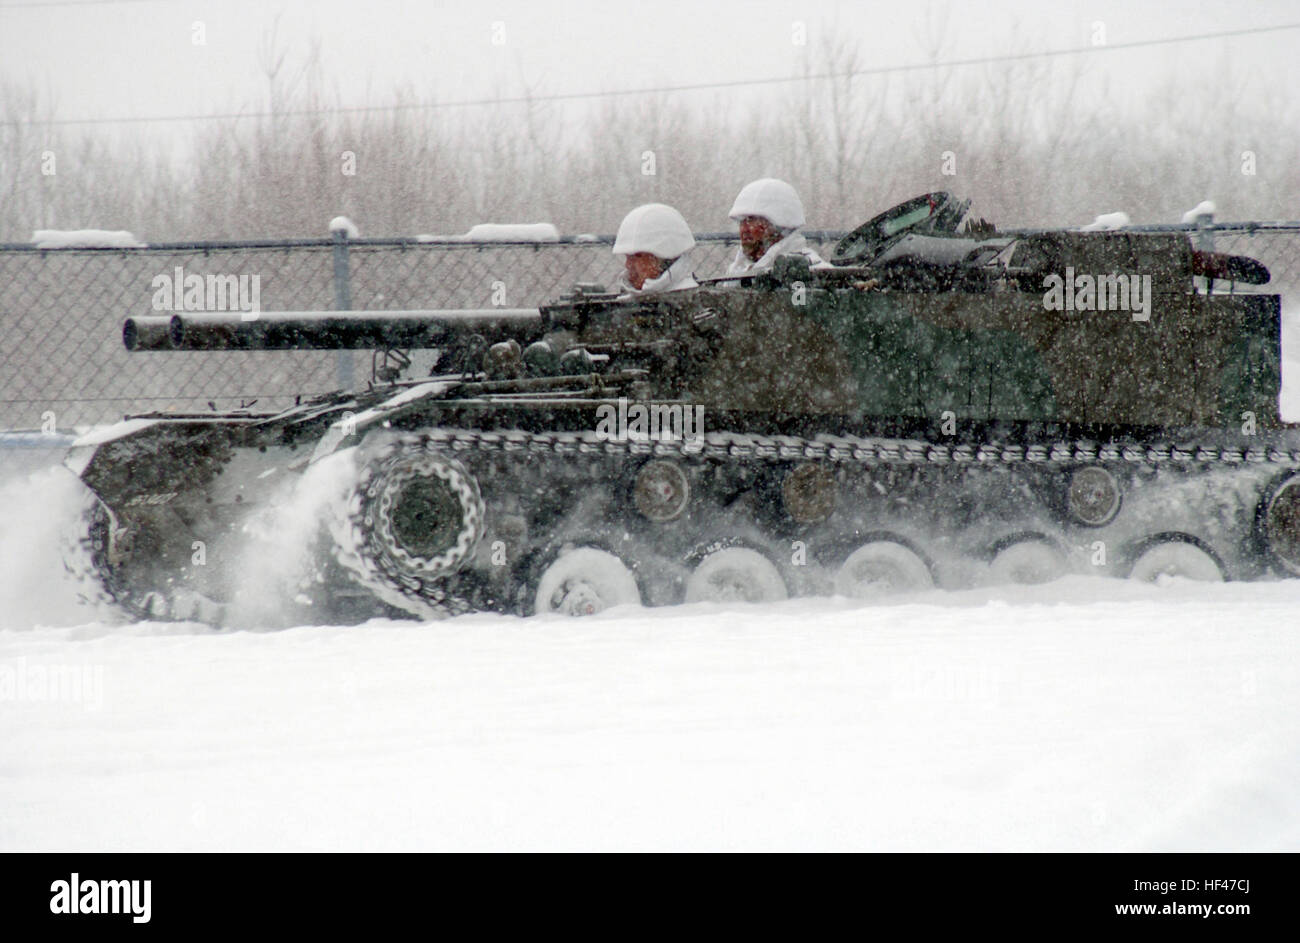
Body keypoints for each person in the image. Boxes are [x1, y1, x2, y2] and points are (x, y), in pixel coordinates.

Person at [725, 177, 830, 276]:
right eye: (741, 222)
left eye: (752, 221)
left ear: (780, 226)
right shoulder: (736, 271)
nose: (744, 229)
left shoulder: (813, 272)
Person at [612, 203, 699, 294]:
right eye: (627, 257)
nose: (628, 265)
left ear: (667, 260)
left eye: (638, 256)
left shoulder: (690, 301)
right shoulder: (624, 301)